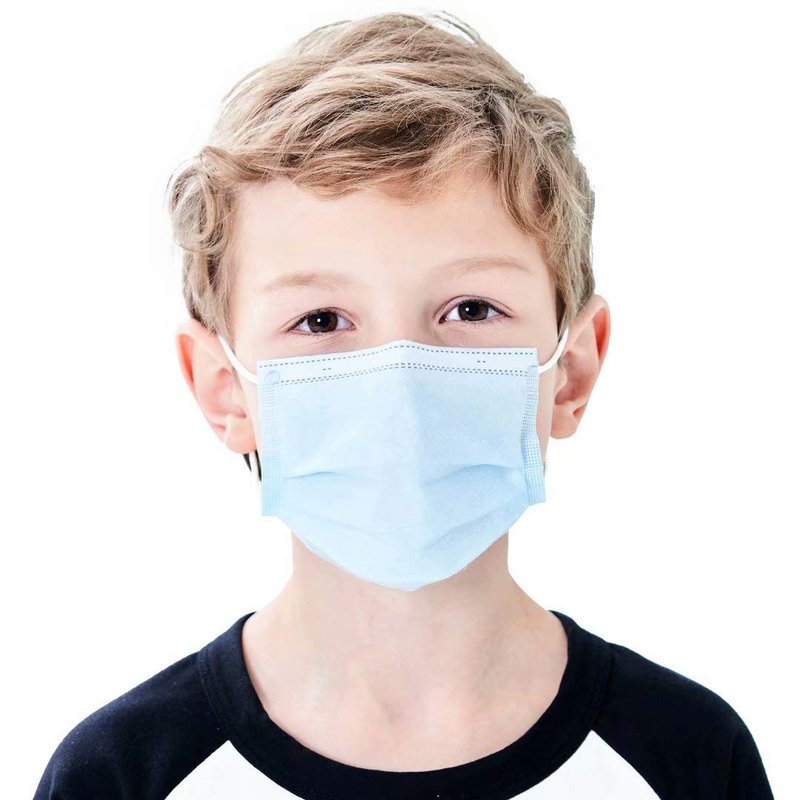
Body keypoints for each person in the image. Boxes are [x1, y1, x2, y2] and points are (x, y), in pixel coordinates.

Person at [33, 10, 774, 799]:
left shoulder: (687, 758)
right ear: (224, 388)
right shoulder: (123, 775)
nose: (401, 389)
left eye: (470, 309)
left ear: (572, 370)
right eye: (322, 321)